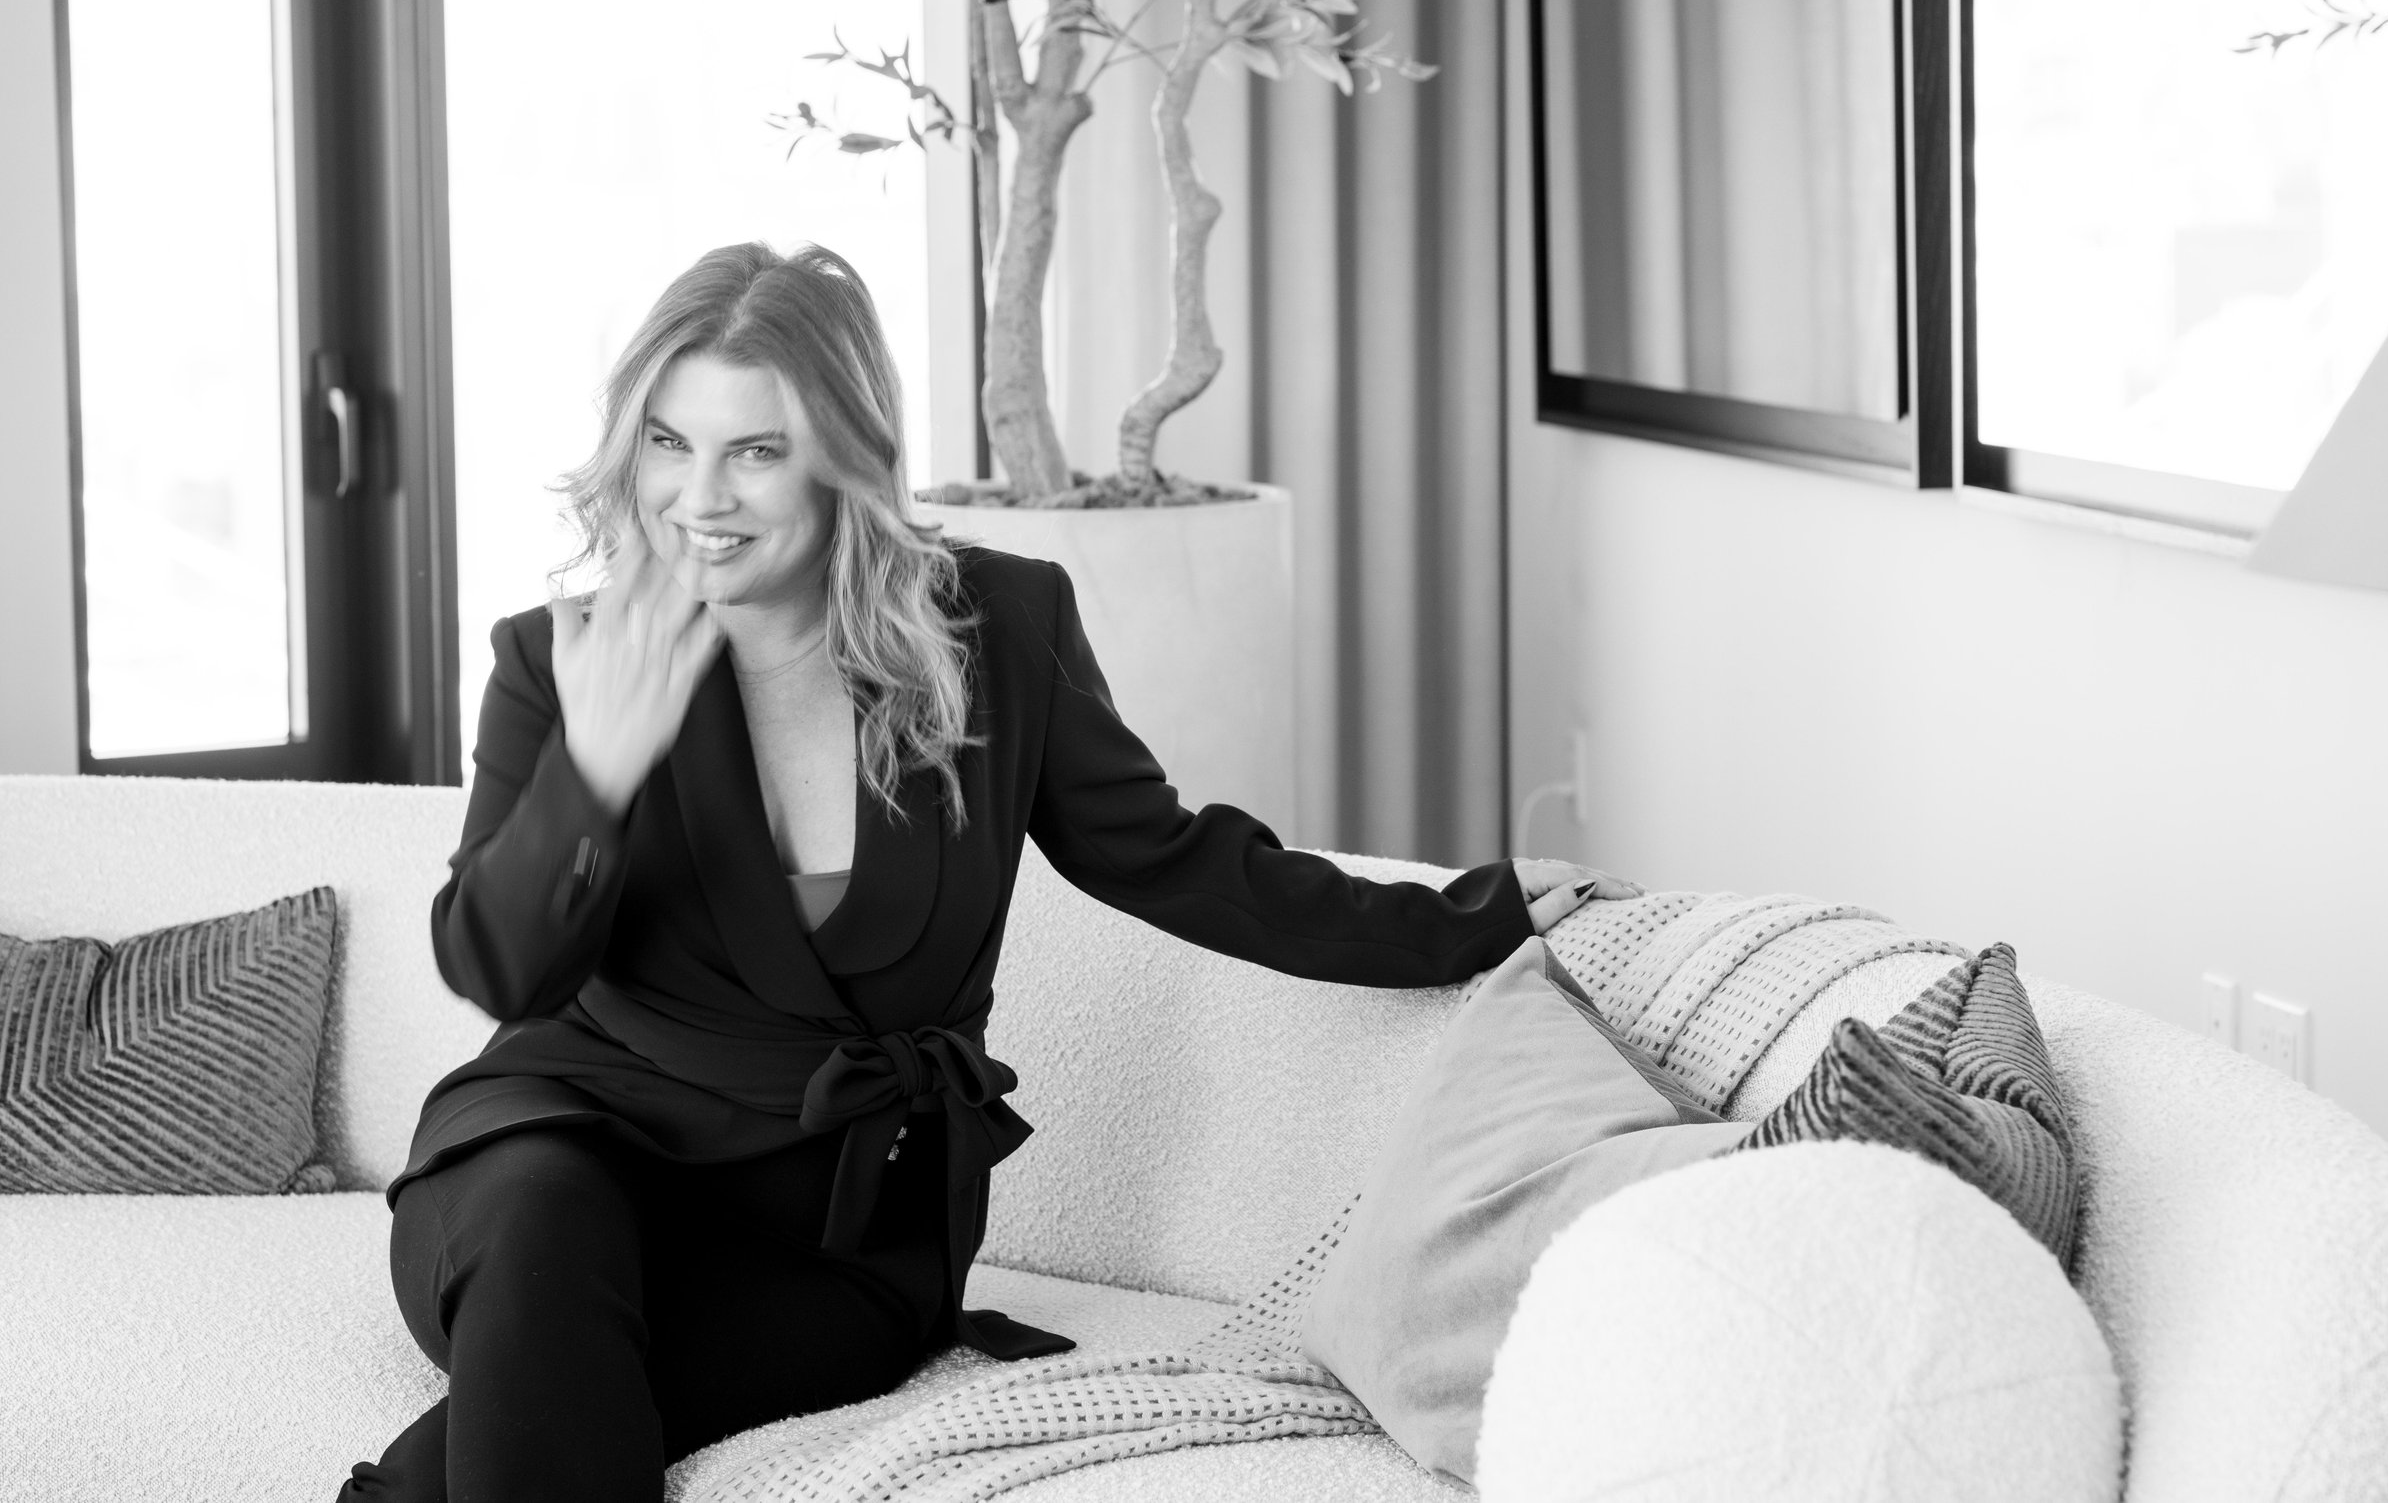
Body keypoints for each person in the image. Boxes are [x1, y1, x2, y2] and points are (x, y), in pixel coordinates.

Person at [340, 242, 1631, 1502]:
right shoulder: (559, 658)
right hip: (553, 1164)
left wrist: (1476, 917)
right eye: (669, 442)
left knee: (534, 1412)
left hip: (835, 1233)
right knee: (549, 1234)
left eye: (757, 451)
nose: (700, 497)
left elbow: (1172, 859)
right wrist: (595, 772)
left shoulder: (998, 631)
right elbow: (502, 968)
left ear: (845, 457)